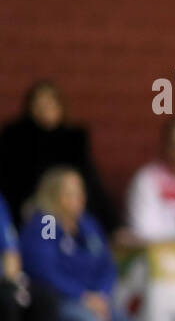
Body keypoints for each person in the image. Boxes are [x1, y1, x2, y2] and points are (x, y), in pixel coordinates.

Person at [18, 168, 144, 321]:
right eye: (70, 193)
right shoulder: (47, 223)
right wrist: (84, 298)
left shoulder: (87, 224)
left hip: (95, 300)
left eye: (79, 193)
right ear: (53, 196)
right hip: (61, 301)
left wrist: (102, 296)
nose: (79, 199)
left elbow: (107, 266)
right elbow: (43, 271)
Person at [0, 81, 121, 236]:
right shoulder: (16, 141)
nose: (45, 109)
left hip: (70, 218)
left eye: (50, 103)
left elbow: (92, 184)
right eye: (39, 103)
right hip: (30, 217)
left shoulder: (72, 141)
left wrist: (113, 225)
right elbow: (9, 184)